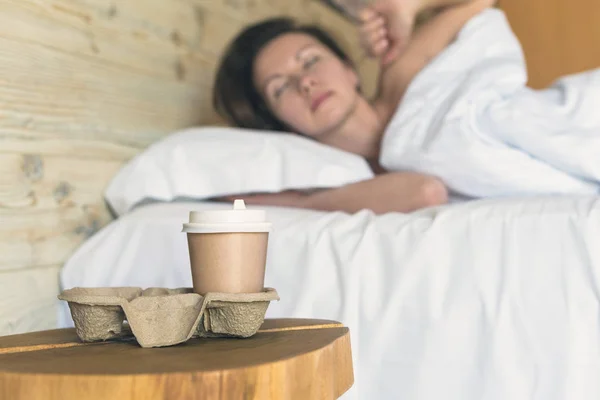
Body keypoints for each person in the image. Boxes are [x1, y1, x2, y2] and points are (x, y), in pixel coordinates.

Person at [213, 0, 600, 213]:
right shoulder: (346, 178)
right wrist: (299, 202)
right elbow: (424, 192)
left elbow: (479, 4)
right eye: (280, 88)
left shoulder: (402, 73)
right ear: (284, 125)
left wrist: (409, 7)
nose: (305, 82)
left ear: (349, 69)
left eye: (311, 60)